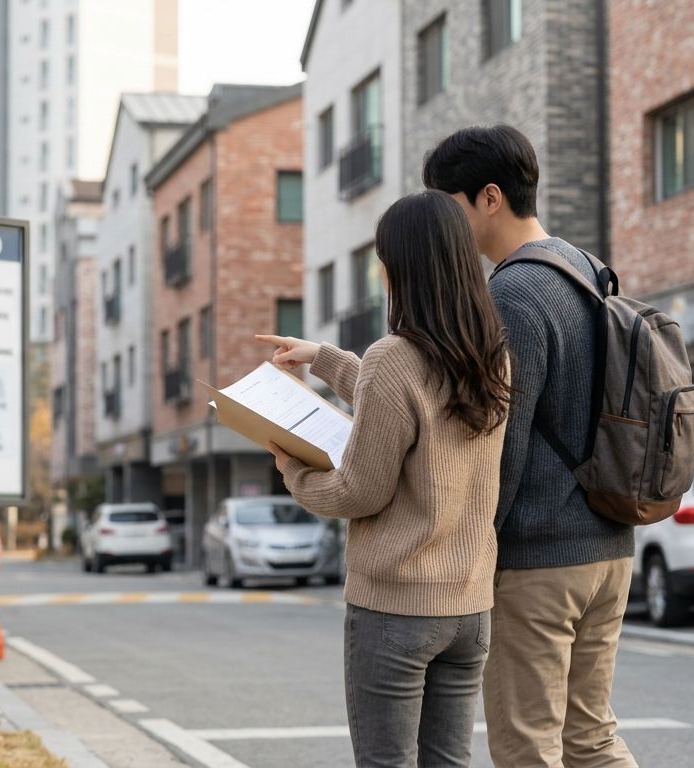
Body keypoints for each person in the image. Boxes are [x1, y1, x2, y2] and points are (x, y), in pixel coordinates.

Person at [256, 190, 512, 768]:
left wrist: (292, 470)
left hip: (397, 609)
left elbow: (358, 492)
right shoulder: (489, 353)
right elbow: (401, 402)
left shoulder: (395, 356)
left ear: (402, 267)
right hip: (469, 609)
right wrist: (323, 357)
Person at [423, 124, 639, 768]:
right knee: (592, 738)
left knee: (525, 745)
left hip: (540, 558)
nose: (445, 225)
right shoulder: (588, 270)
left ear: (490, 197)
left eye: (449, 206)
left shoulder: (510, 293)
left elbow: (502, 444)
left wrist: (473, 542)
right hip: (608, 546)